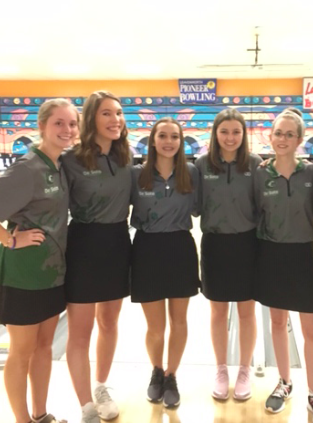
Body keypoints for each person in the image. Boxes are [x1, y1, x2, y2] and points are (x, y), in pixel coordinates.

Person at [0, 98, 78, 423]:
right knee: (21, 351)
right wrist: (9, 239)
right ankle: (22, 420)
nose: (66, 130)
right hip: (22, 276)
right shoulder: (28, 168)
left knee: (44, 348)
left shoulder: (56, 166)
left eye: (71, 124)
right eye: (58, 123)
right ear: (42, 126)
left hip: (52, 274)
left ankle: (40, 415)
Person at [254, 110, 313, 423]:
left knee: (310, 329)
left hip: (302, 254)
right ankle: (284, 382)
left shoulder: (312, 173)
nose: (283, 139)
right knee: (277, 323)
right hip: (271, 253)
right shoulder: (260, 173)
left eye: (289, 134)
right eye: (278, 133)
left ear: (299, 140)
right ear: (269, 137)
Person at [61, 91, 132, 423]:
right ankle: (86, 404)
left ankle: (101, 386)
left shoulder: (126, 158)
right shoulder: (71, 160)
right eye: (106, 113)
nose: (115, 119)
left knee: (109, 322)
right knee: (80, 331)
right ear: (91, 119)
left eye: (118, 113)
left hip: (118, 241)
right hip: (84, 245)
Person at [130, 117, 200, 409]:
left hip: (180, 247)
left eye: (174, 137)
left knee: (179, 320)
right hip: (147, 248)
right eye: (163, 136)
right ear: (153, 139)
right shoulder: (136, 175)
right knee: (155, 326)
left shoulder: (192, 174)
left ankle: (172, 375)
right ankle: (156, 371)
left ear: (181, 141)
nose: (169, 142)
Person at [194, 109, 262, 401]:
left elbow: (263, 206)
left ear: (244, 135)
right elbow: (195, 207)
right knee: (218, 312)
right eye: (225, 132)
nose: (231, 137)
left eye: (236, 132)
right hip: (214, 244)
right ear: (215, 134)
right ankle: (221, 369)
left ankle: (244, 370)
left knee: (247, 311)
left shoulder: (256, 164)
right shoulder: (200, 165)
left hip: (248, 243)